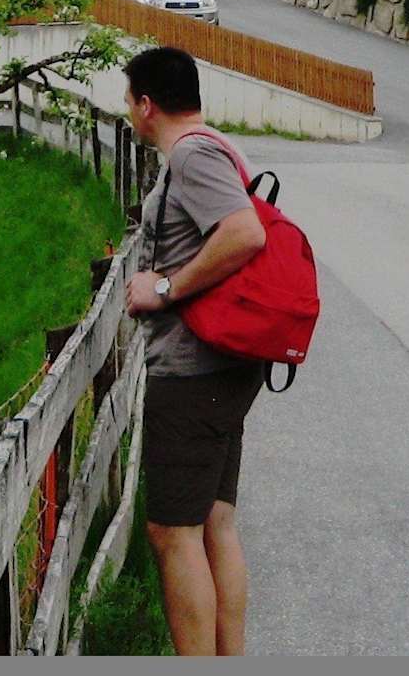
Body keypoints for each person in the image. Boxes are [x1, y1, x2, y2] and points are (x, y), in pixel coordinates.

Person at [122, 45, 268, 657]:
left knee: (172, 532)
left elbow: (244, 233)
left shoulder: (192, 155)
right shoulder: (215, 148)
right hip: (222, 368)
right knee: (212, 522)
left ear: (146, 104)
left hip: (193, 372)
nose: (128, 111)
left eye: (129, 100)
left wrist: (163, 288)